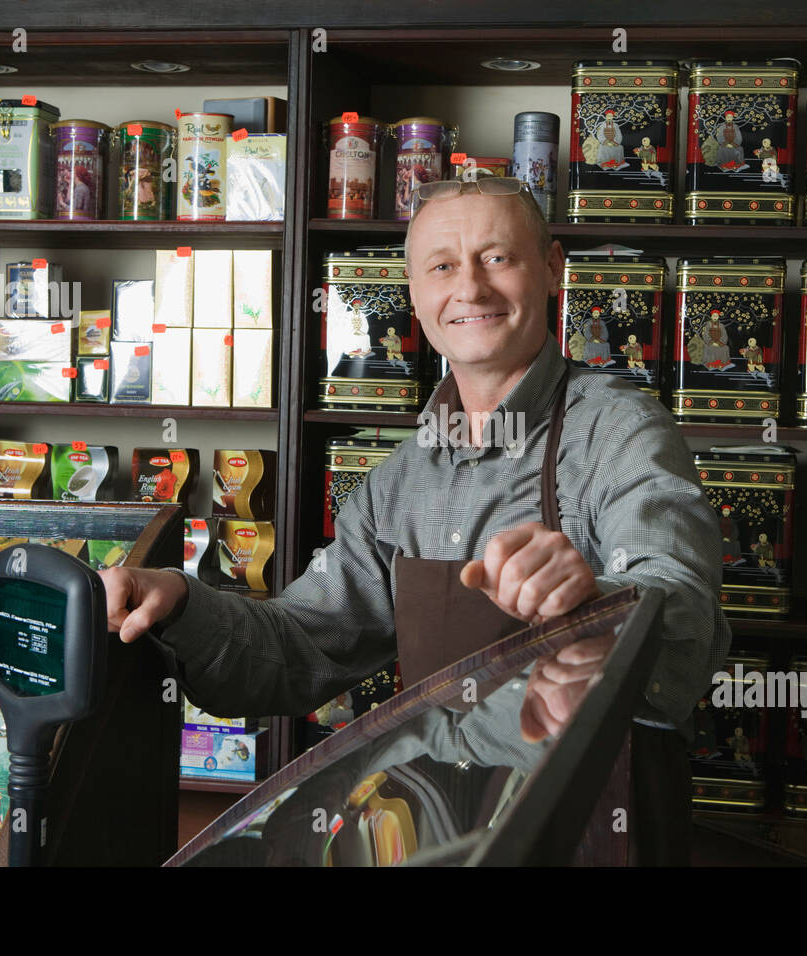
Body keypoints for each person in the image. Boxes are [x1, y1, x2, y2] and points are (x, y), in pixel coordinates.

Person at [102, 176, 730, 865]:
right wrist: (181, 600)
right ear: (414, 291)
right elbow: (298, 646)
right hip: (441, 837)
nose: (471, 289)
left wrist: (596, 607)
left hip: (589, 838)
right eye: (441, 267)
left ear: (552, 268)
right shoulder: (400, 478)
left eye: (497, 258)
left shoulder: (618, 431)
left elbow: (686, 625)